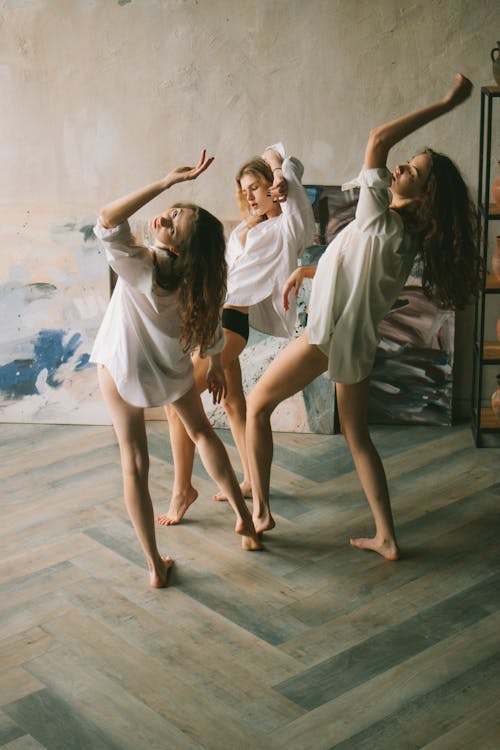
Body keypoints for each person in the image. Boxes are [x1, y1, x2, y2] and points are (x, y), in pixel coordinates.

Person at [245, 74, 482, 558]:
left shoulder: (380, 216)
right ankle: (387, 537)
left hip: (325, 337)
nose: (400, 168)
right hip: (355, 343)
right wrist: (308, 270)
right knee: (358, 438)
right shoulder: (400, 235)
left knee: (256, 406)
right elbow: (354, 267)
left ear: (426, 192)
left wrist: (444, 103)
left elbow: (377, 137)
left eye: (413, 171)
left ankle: (262, 509)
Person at [90, 150, 261, 589]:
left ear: (180, 243)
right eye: (172, 210)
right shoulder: (197, 282)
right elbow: (211, 337)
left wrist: (167, 183)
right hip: (168, 372)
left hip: (122, 368)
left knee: (135, 463)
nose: (167, 215)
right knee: (202, 432)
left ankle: (154, 567)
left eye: (176, 217)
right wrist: (219, 367)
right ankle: (245, 519)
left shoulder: (139, 265)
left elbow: (107, 217)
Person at [160, 142, 315, 524]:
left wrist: (279, 172)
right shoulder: (246, 230)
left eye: (256, 186)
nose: (249, 195)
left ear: (273, 187)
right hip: (212, 319)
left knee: (175, 398)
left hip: (231, 324)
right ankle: (248, 478)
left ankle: (182, 490)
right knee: (232, 404)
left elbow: (281, 155)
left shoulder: (288, 228)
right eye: (244, 189)